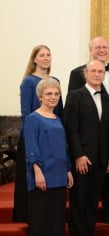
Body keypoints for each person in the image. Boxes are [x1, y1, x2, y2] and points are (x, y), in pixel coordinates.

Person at [68, 36, 109, 224]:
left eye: (105, 47)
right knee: (82, 196)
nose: (102, 50)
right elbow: (71, 124)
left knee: (103, 187)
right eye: (97, 47)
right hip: (85, 147)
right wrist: (78, 153)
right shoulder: (76, 84)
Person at [64, 60, 109, 236]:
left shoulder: (107, 98)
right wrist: (78, 155)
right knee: (79, 201)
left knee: (93, 201)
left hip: (101, 159)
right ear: (85, 74)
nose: (97, 74)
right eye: (93, 71)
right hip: (82, 159)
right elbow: (71, 129)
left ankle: (88, 232)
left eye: (100, 72)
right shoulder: (75, 95)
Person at [14, 45, 64, 223]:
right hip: (33, 136)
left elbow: (59, 111)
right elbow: (26, 112)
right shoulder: (28, 81)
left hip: (52, 135)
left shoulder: (55, 80)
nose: (45, 58)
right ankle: (28, 215)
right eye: (41, 55)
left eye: (48, 54)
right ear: (34, 59)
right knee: (32, 177)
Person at [24, 78, 73, 235]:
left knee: (57, 221)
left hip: (59, 176)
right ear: (40, 96)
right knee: (41, 221)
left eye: (56, 94)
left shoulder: (57, 119)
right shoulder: (33, 118)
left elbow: (63, 147)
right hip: (43, 176)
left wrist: (68, 170)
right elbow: (32, 148)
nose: (53, 97)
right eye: (49, 94)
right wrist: (37, 172)